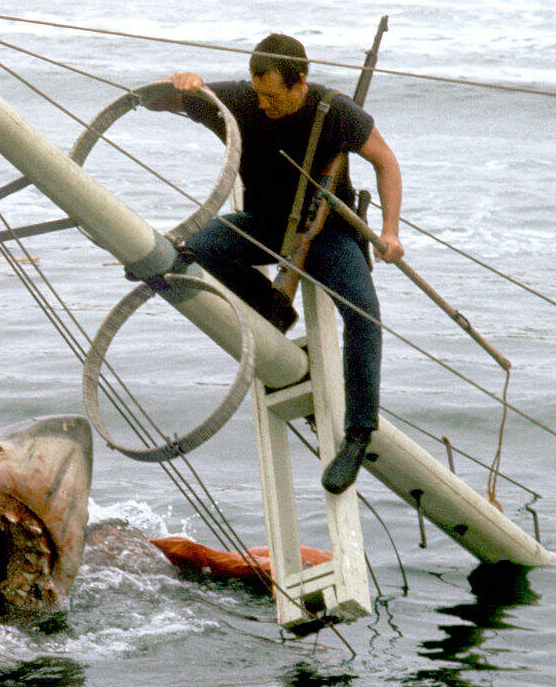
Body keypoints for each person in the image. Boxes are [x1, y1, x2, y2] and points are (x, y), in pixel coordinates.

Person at [146, 33, 404, 494]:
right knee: (199, 245)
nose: (263, 104)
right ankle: (274, 308)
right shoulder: (243, 100)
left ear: (299, 81)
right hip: (263, 223)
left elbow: (386, 162)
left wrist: (389, 232)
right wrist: (179, 84)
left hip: (328, 234)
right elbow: (154, 99)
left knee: (364, 316)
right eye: (258, 92)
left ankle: (359, 433)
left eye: (272, 95)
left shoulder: (336, 110)